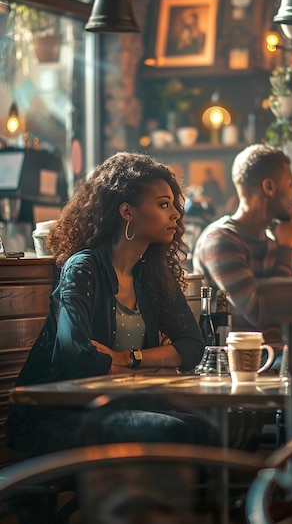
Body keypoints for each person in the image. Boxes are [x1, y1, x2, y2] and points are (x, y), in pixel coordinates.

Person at [6, 152, 218, 458]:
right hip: (58, 415)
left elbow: (192, 346)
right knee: (174, 431)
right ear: (127, 211)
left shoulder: (151, 272)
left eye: (174, 204)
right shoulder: (84, 267)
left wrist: (128, 358)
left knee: (207, 431)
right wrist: (154, 363)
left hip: (118, 404)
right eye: (163, 204)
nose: (176, 214)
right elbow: (76, 357)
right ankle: (140, 507)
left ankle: (173, 507)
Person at [192, 144, 292, 342]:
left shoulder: (273, 241)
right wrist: (287, 249)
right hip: (235, 366)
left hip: (279, 361)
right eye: (291, 185)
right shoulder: (219, 240)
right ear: (269, 187)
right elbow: (263, 315)